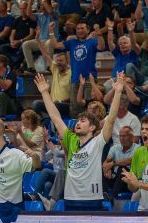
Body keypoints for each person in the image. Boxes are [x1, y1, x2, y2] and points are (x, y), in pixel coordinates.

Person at [34, 73, 123, 211]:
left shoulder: (98, 142)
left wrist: (117, 93)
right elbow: (55, 117)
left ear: (92, 127)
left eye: (83, 121)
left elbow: (111, 119)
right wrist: (45, 93)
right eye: (77, 121)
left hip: (92, 199)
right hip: (70, 199)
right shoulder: (71, 139)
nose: (78, 123)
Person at [49, 20, 105, 117]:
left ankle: (90, 124)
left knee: (90, 106)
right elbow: (55, 45)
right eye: (78, 29)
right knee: (74, 107)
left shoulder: (92, 41)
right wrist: (51, 31)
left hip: (89, 79)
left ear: (88, 30)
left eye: (82, 28)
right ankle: (76, 124)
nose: (80, 30)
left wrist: (99, 34)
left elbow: (101, 47)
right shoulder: (72, 42)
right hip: (75, 79)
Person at [103, 126, 140, 198]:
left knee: (122, 169)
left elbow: (130, 160)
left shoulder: (138, 148)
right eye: (120, 136)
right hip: (115, 178)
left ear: (132, 137)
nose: (121, 138)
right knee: (101, 169)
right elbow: (106, 162)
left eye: (124, 136)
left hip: (129, 182)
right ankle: (101, 195)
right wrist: (107, 169)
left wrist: (113, 164)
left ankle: (112, 197)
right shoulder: (115, 148)